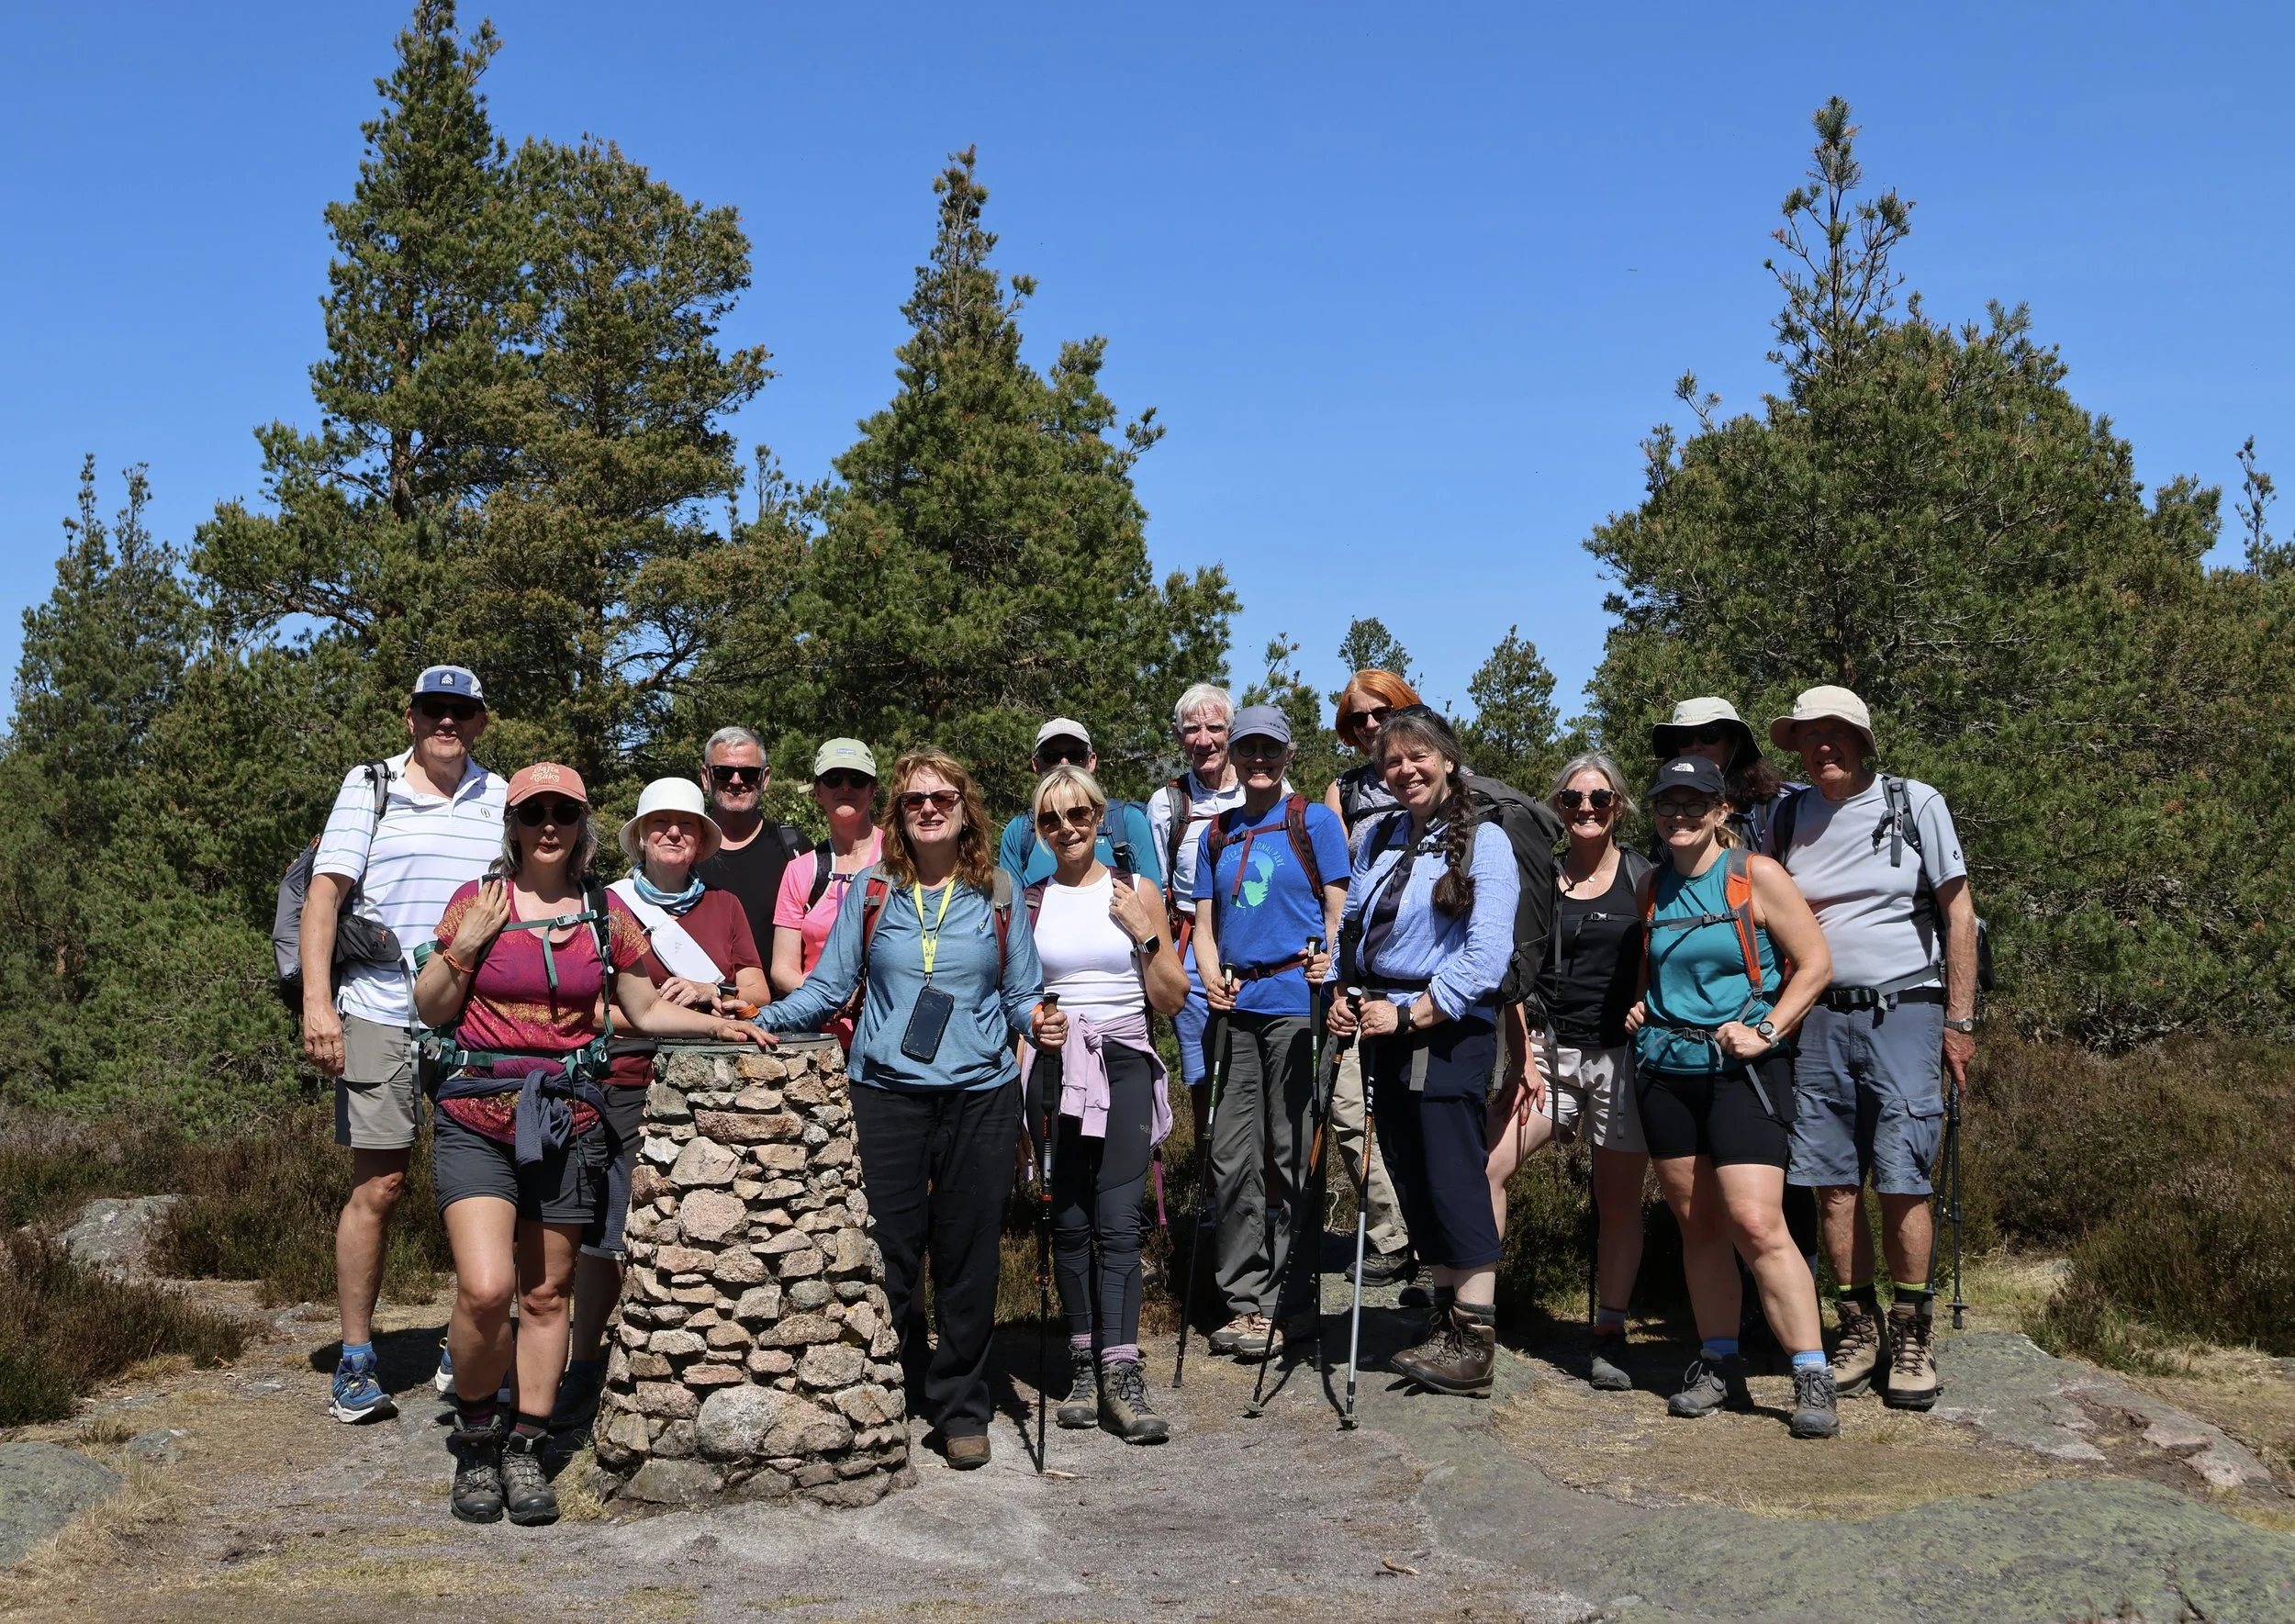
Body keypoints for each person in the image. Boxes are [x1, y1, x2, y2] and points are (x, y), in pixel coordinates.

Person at [415, 763, 767, 1525]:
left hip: (567, 1118)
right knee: (484, 1287)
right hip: (476, 1113)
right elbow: (430, 1004)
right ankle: (478, 1437)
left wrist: (717, 1023)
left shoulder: (607, 913)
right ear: (512, 825)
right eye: (534, 811)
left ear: (582, 826)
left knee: (548, 1294)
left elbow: (640, 1006)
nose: (549, 824)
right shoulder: (475, 904)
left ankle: (526, 1446)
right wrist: (463, 948)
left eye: (563, 813)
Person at [754, 748, 1053, 1471]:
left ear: (964, 806)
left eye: (941, 797)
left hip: (980, 1094)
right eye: (915, 798)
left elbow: (1019, 995)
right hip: (886, 1093)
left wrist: (1040, 1019)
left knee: (968, 1254)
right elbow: (830, 987)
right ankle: (888, 1390)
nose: (928, 808)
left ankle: (959, 1405)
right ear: (898, 810)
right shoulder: (873, 890)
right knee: (889, 1252)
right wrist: (766, 1018)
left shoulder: (1000, 893)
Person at [300, 665, 506, 1425]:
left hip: (472, 1018)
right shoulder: (371, 785)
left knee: (483, 1189)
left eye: (461, 711)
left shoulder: (503, 796)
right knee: (378, 1188)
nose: (446, 722)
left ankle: (468, 1343)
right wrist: (319, 1003)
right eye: (434, 709)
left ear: (480, 722)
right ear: (410, 717)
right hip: (380, 1009)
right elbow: (326, 893)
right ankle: (355, 1361)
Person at [1768, 686, 1979, 1412]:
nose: (1822, 746)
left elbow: (1960, 913)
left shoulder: (1915, 802)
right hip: (1817, 1017)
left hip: (1906, 1011)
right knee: (1831, 1182)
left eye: (1835, 734)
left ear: (1861, 741)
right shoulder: (1788, 816)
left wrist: (1960, 1021)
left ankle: (1911, 1331)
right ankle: (1856, 1326)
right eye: (1809, 736)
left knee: (1902, 1175)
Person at [1627, 755, 1839, 1438]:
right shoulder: (1653, 886)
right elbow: (1653, 971)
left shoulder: (1756, 875)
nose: (1678, 815)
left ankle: (1811, 1371)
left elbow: (1816, 964)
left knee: (1755, 1222)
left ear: (1722, 809)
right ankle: (1718, 1360)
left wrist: (1769, 1029)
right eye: (1668, 804)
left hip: (1742, 1071)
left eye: (1694, 803)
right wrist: (1639, 1007)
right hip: (1665, 1070)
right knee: (1700, 1226)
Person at [551, 778, 771, 1429]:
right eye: (660, 824)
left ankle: (681, 1362)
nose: (673, 833)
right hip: (619, 1082)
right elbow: (586, 1010)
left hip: (707, 1089)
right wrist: (660, 1015)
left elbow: (754, 989)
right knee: (604, 1236)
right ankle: (583, 1365)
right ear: (641, 836)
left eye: (686, 825)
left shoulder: (726, 907)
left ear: (702, 838)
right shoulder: (602, 905)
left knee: (698, 1231)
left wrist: (713, 988)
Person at [1327, 708, 1518, 1394]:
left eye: (1417, 757)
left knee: (1454, 1172)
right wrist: (1341, 990)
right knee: (1411, 1170)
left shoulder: (1485, 843)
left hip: (1446, 1027)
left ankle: (1474, 1334)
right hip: (1383, 1023)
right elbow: (1351, 925)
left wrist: (1412, 1013)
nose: (1405, 771)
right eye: (1391, 762)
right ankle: (1444, 1318)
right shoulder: (1378, 837)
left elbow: (1487, 952)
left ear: (1447, 759)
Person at [1021, 765, 1189, 1442]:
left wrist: (1144, 931)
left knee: (1119, 1221)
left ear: (1099, 817)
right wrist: (1037, 1021)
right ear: (1039, 828)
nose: (1067, 828)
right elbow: (1015, 994)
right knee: (1068, 1221)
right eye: (1052, 819)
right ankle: (1083, 1365)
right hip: (1056, 1067)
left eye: (1080, 814)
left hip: (1121, 1065)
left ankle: (1122, 1375)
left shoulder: (1136, 889)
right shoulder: (1029, 901)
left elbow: (1173, 996)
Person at [1484, 752, 1651, 1390]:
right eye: (1573, 799)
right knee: (1489, 1165)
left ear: (1619, 807)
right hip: (1546, 1054)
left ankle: (1609, 1330)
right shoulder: (1540, 879)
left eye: (1599, 799)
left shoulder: (1644, 877)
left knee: (1616, 1202)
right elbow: (1514, 975)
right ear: (1558, 806)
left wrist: (1649, 1005)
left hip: (1619, 1058)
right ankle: (1475, 1314)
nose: (1586, 809)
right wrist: (1522, 1055)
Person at [1192, 705, 1349, 1359]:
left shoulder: (1315, 822)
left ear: (1288, 754)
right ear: (1233, 752)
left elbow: (1341, 914)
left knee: (1291, 1154)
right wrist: (1211, 981)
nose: (1259, 759)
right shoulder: (1217, 833)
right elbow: (1203, 924)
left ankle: (1292, 1299)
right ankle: (1244, 1299)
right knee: (1230, 1156)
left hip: (1296, 1005)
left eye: (1270, 749)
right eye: (1248, 747)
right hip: (1237, 1008)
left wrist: (1329, 962)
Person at [1320, 669, 1422, 1287]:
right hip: (1360, 978)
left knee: (1424, 1118)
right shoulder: (1343, 792)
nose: (1369, 724)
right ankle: (1394, 1234)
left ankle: (1439, 1244)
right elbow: (1337, 899)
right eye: (1356, 718)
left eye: (1379, 710)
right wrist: (1336, 979)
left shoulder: (1438, 776)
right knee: (1349, 1108)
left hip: (1430, 986)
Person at [770, 739, 885, 1049]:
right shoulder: (801, 871)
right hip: (819, 1042)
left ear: (872, 790)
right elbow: (782, 969)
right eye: (834, 779)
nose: (845, 787)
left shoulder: (901, 860)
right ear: (818, 792)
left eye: (857, 779)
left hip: (887, 1038)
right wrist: (829, 994)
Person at [996, 717, 1164, 889]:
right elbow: (1010, 910)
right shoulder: (1019, 833)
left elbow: (1152, 901)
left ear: (1091, 761)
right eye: (1051, 756)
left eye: (1076, 755)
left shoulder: (1128, 821)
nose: (1063, 763)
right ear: (1036, 764)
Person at [695, 725, 812, 967]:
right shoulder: (684, 852)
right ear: (706, 777)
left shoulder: (794, 848)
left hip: (782, 1002)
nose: (736, 781)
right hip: (695, 1003)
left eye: (748, 773)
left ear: (765, 778)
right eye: (724, 771)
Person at [1650, 698, 1798, 855]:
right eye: (1684, 738)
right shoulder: (1671, 817)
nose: (1695, 746)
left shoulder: (1774, 809)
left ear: (1733, 744)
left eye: (1709, 735)